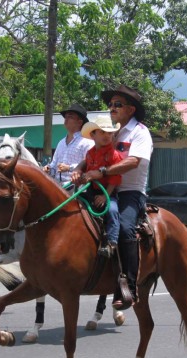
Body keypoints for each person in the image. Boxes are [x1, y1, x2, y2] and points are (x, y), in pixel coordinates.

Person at [82, 85, 153, 311]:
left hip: (131, 192)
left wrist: (102, 172)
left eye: (117, 105)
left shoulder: (140, 132)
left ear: (130, 109)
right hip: (101, 188)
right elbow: (91, 155)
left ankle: (129, 287)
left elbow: (133, 162)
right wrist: (78, 170)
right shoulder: (107, 130)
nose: (111, 108)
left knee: (124, 228)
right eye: (110, 104)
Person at [71, 115, 123, 257]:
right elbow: (88, 175)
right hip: (91, 191)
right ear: (93, 135)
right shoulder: (89, 154)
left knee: (112, 211)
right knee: (72, 203)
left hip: (108, 193)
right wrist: (79, 177)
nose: (107, 136)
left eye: (109, 133)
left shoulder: (114, 155)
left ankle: (112, 243)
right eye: (102, 132)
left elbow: (115, 178)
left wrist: (105, 197)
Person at [42, 104, 94, 185]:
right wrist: (48, 169)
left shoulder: (87, 142)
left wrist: (69, 168)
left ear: (80, 122)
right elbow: (54, 165)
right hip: (58, 187)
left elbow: (89, 165)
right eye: (66, 117)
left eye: (70, 117)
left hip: (76, 189)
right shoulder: (61, 143)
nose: (66, 119)